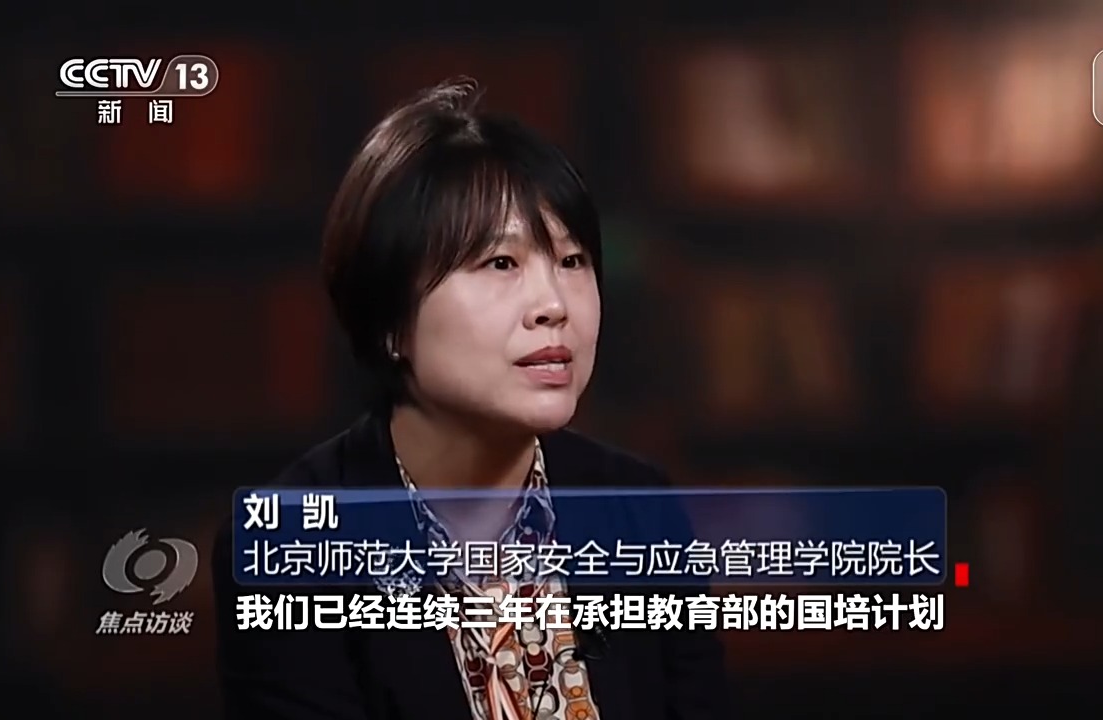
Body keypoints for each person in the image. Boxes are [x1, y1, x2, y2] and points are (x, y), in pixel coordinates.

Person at [212, 78, 729, 720]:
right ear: (390, 319)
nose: (553, 306)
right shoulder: (288, 544)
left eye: (571, 261)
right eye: (501, 263)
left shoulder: (637, 510)